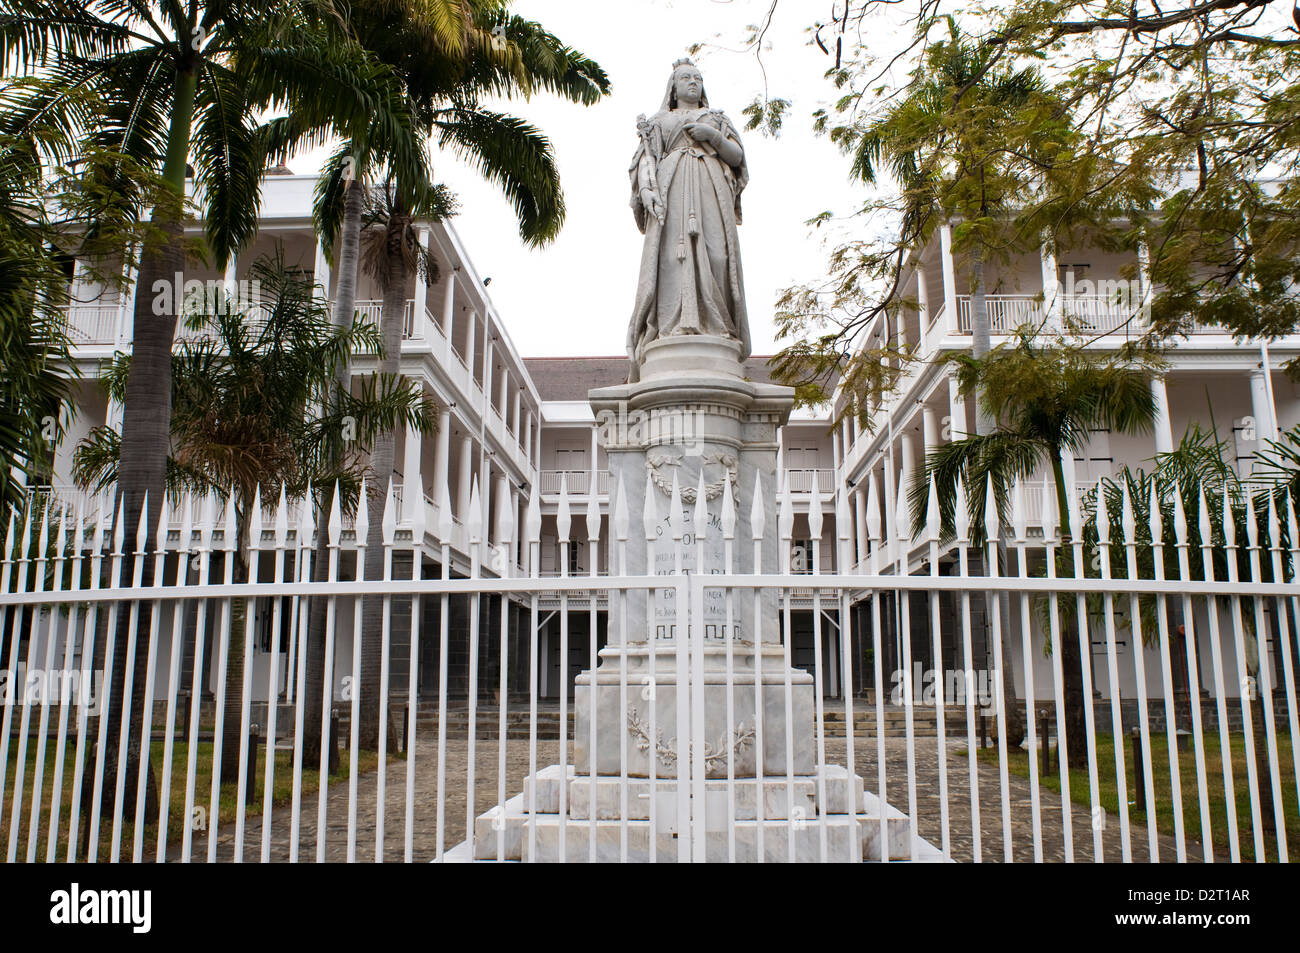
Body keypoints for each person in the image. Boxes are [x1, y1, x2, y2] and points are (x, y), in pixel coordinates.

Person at [626, 58, 752, 381]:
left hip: (711, 187)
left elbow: (737, 157)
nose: (693, 82)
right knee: (670, 260)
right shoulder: (657, 122)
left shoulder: (717, 119)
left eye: (697, 77)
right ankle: (670, 329)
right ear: (673, 87)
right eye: (685, 78)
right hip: (671, 191)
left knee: (718, 256)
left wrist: (713, 136)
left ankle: (719, 325)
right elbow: (645, 161)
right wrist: (645, 190)